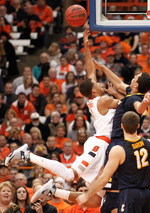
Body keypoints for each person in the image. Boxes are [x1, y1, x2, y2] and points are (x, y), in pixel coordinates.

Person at [5, 30, 120, 209]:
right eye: (97, 84)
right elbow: (127, 101)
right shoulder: (104, 99)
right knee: (69, 175)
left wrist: (87, 47)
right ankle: (28, 155)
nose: (99, 82)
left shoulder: (93, 97)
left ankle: (54, 191)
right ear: (95, 90)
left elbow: (91, 72)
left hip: (106, 147)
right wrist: (119, 91)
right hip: (100, 145)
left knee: (96, 200)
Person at [76, 111, 150, 212]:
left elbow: (104, 179)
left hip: (129, 194)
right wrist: (140, 170)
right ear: (138, 126)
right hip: (147, 194)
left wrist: (87, 196)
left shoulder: (118, 150)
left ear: (122, 126)